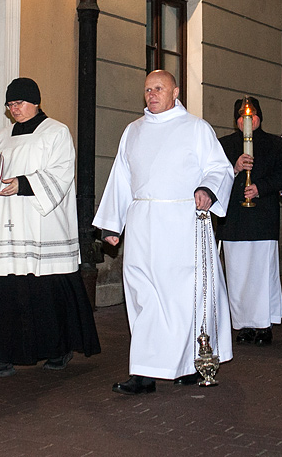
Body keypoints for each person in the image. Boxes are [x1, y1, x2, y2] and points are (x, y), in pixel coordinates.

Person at [93, 70, 234, 394]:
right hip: (143, 223)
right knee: (144, 296)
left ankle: (188, 365)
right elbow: (121, 179)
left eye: (158, 88)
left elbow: (219, 169)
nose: (151, 94)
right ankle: (143, 371)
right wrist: (112, 225)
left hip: (183, 221)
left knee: (183, 297)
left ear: (175, 92)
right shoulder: (133, 131)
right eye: (147, 90)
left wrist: (207, 190)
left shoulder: (196, 129)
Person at [0, 78, 101, 379]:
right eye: (10, 104)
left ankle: (57, 348)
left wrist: (24, 184)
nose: (14, 108)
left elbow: (62, 172)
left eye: (20, 103)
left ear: (36, 102)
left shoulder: (56, 132)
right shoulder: (2, 137)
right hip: (8, 226)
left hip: (42, 224)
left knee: (45, 291)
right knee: (4, 290)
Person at [215, 97, 282, 346]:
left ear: (260, 117)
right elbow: (212, 174)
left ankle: (263, 324)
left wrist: (261, 187)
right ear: (236, 120)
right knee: (237, 275)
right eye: (241, 116)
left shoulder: (275, 144)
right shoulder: (223, 145)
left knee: (261, 274)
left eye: (251, 115)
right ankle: (244, 324)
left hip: (262, 218)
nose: (246, 120)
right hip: (234, 220)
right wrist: (234, 168)